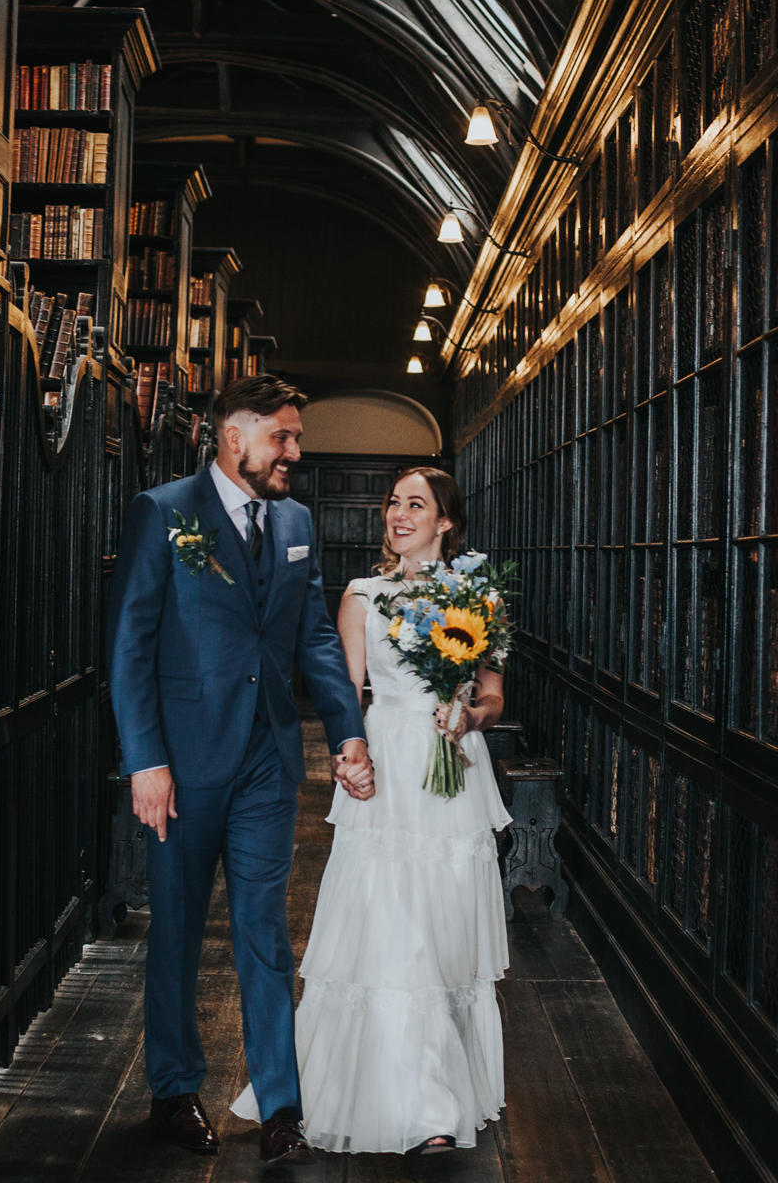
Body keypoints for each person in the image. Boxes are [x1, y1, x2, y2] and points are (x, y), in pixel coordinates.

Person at [106, 375, 378, 1166]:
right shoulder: (163, 512)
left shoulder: (295, 520)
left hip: (267, 760)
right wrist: (145, 760)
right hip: (183, 766)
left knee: (265, 933)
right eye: (283, 438)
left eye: (296, 438)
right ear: (234, 437)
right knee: (180, 932)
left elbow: (316, 642)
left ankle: (282, 1108)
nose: (296, 451)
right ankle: (173, 1090)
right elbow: (129, 646)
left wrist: (347, 733)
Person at [231, 466, 510, 1154]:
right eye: (393, 502)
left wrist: (470, 715)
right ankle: (426, 1111)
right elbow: (343, 691)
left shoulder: (479, 596)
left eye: (415, 504)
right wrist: (348, 757)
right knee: (395, 931)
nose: (397, 514)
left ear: (446, 522)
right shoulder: (362, 595)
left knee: (440, 932)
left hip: (451, 776)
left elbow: (495, 694)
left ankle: (437, 1090)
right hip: (386, 773)